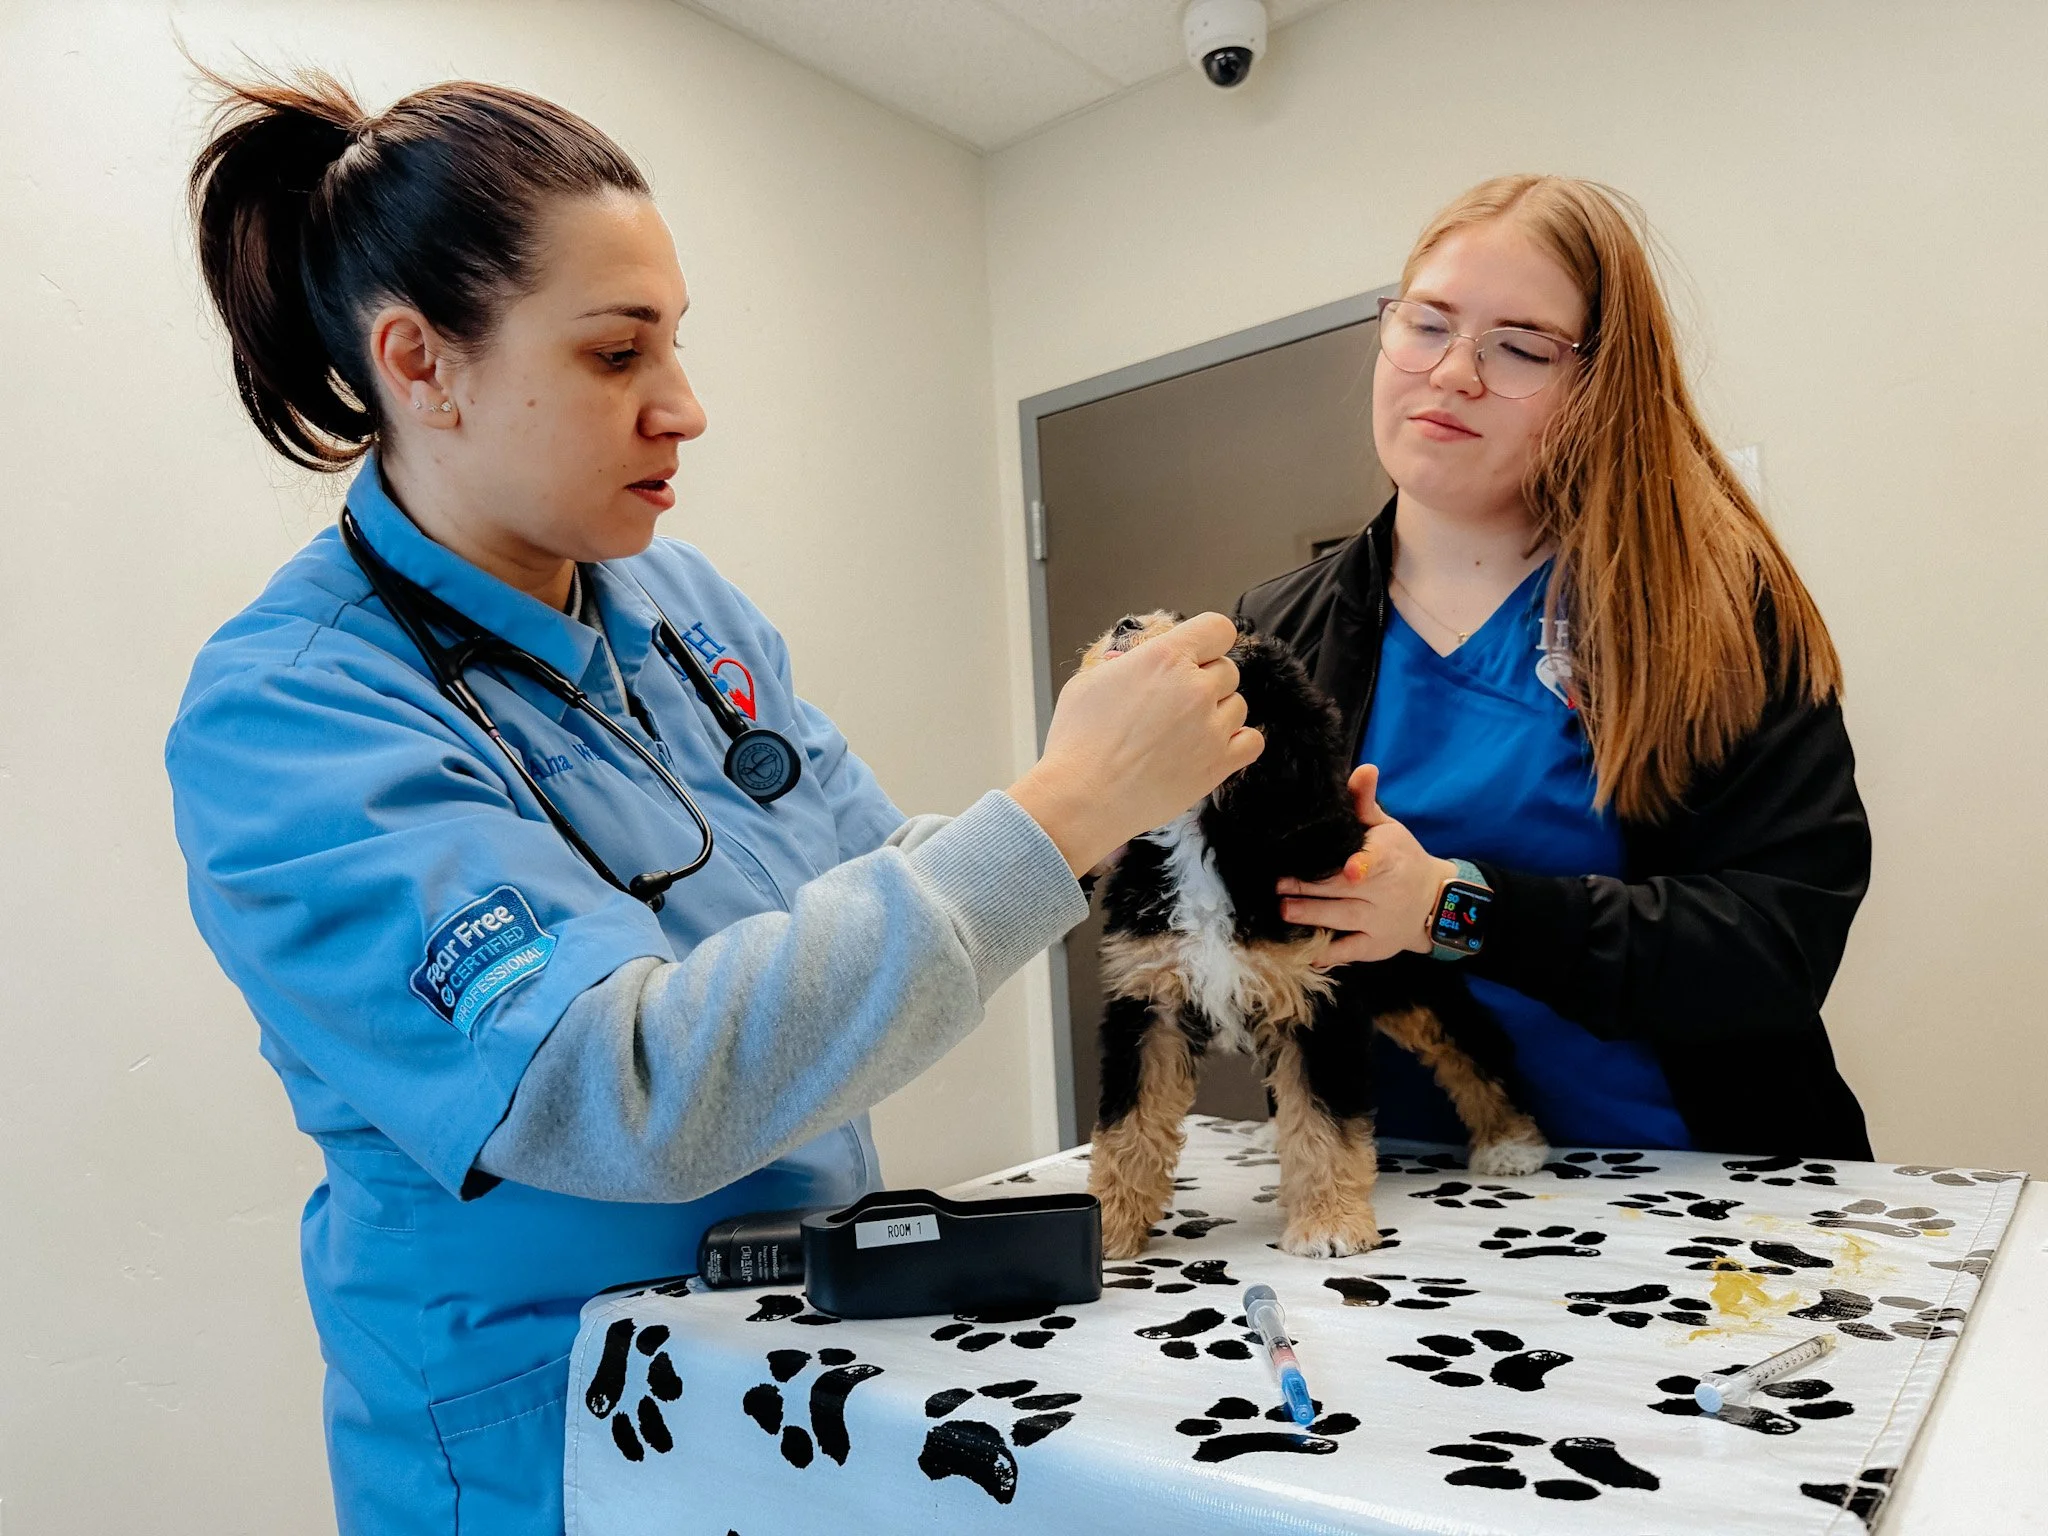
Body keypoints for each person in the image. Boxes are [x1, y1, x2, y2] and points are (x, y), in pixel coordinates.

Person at [167, 70, 1261, 1536]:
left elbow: (883, 884)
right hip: (548, 1441)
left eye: (674, 345)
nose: (684, 409)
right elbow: (620, 1091)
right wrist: (1062, 807)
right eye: (619, 354)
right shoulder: (292, 713)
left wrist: (1124, 811)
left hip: (788, 1378)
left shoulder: (681, 607)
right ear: (421, 362)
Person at [1237, 175, 1871, 1160]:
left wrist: (1452, 906)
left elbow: (1771, 949)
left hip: (1684, 1198)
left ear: (1596, 385)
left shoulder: (1713, 610)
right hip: (1389, 1205)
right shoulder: (1273, 629)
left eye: (1520, 349)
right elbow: (1258, 955)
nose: (1451, 373)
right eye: (1424, 325)